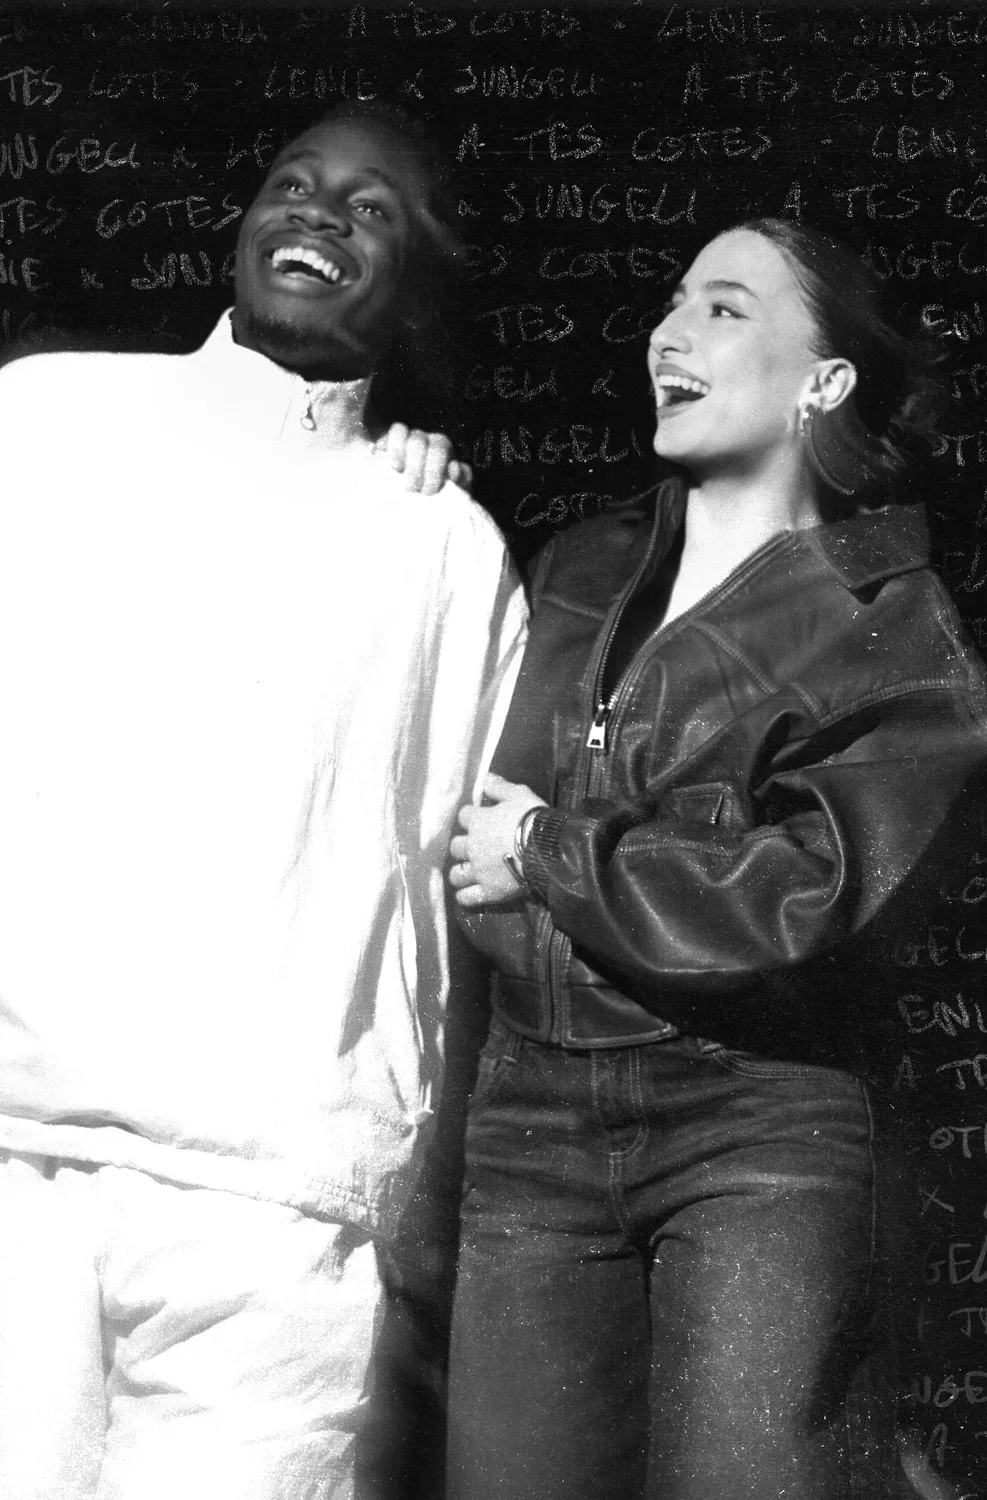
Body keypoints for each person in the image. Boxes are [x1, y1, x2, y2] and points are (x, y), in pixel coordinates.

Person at [0, 101, 525, 1500]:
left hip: (281, 1208)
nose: (317, 213)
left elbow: (453, 891)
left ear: (418, 280)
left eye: (372, 209)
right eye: (293, 183)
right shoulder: (41, 419)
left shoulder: (448, 544)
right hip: (14, 1148)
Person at [445, 218, 987, 1500]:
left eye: (726, 308)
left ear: (826, 380)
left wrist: (546, 851)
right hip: (529, 1118)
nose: (670, 333)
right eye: (673, 302)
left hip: (755, 1123)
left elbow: (805, 894)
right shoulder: (580, 563)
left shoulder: (896, 628)